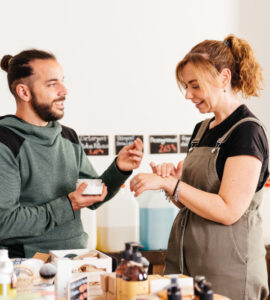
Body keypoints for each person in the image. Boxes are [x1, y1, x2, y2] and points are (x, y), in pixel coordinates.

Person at [130, 34, 269, 300]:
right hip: (189, 262)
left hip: (228, 270)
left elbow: (229, 210)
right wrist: (175, 185)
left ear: (223, 78)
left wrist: (172, 184)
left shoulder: (247, 132)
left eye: (194, 86)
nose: (188, 95)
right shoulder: (202, 129)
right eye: (185, 86)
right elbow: (191, 203)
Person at [0, 49, 143, 258]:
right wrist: (70, 204)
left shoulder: (68, 136)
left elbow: (92, 197)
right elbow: (5, 222)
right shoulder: (5, 142)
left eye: (62, 81)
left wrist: (119, 169)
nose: (64, 90)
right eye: (52, 84)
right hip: (27, 269)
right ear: (24, 92)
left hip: (77, 261)